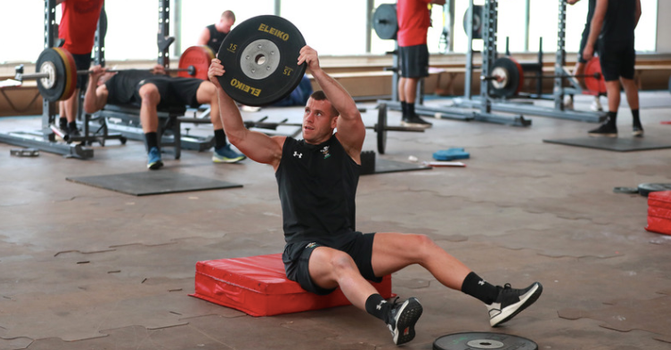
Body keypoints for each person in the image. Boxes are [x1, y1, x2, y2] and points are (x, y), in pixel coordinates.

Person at [208, 45, 543, 345]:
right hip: (305, 252)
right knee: (340, 262)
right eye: (307, 111)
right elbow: (237, 134)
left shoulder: (347, 147)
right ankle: (391, 315)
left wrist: (317, 72)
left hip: (347, 240)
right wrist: (222, 87)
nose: (308, 118)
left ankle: (496, 298)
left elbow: (352, 114)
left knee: (420, 244)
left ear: (334, 122)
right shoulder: (283, 150)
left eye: (319, 114)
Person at [83, 65, 246, 169]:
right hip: (149, 89)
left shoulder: (132, 71)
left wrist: (157, 71)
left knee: (215, 89)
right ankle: (153, 151)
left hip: (170, 83)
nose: (109, 70)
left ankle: (220, 148)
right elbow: (90, 107)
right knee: (148, 92)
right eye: (104, 72)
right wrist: (93, 79)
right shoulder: (106, 86)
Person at [583, 0, 643, 137]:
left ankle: (611, 124)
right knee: (628, 81)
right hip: (627, 40)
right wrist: (627, 31)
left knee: (611, 83)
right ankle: (637, 123)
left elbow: (598, 17)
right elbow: (638, 12)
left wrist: (590, 44)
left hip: (609, 41)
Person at [56, 0, 104, 136]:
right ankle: (72, 126)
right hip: (68, 46)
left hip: (86, 47)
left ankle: (63, 121)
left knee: (76, 88)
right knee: (72, 88)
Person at [396, 0, 446, 129]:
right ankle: (410, 116)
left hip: (404, 38)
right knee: (413, 77)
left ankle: (405, 114)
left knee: (405, 76)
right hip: (415, 38)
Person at [565, 0, 604, 112]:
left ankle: (596, 99)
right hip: (591, 31)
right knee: (580, 66)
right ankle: (570, 98)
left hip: (606, 31)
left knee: (601, 70)